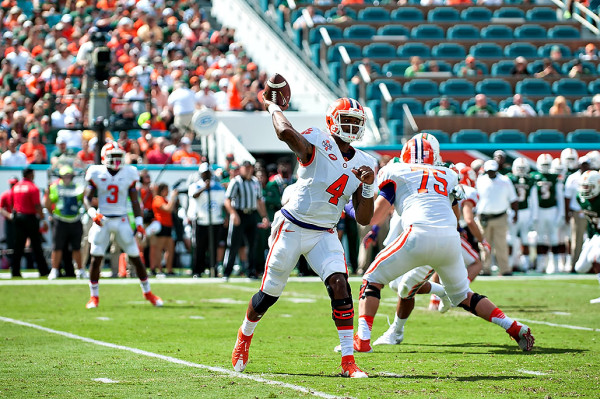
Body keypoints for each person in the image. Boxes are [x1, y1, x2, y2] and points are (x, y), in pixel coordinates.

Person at [232, 96, 377, 378]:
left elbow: (364, 218)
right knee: (269, 295)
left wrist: (368, 186)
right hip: (292, 226)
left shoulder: (366, 161)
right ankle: (245, 334)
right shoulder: (318, 142)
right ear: (332, 121)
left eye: (355, 122)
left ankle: (349, 361)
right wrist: (273, 107)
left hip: (324, 232)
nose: (350, 126)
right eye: (345, 119)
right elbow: (286, 132)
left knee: (340, 285)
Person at [353, 137, 534, 354]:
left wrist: (350, 208)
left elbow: (374, 217)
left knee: (371, 280)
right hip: (450, 240)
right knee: (464, 295)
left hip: (417, 234)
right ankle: (513, 327)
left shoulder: (396, 171)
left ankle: (362, 339)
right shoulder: (448, 174)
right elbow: (455, 215)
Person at [84, 142, 162, 308]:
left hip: (121, 219)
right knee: (96, 257)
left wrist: (139, 223)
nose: (117, 160)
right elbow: (87, 199)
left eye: (119, 156)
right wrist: (93, 214)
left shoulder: (129, 173)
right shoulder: (96, 172)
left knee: (135, 256)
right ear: (105, 157)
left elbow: (135, 201)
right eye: (113, 157)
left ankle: (148, 292)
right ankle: (94, 297)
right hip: (103, 219)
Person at [223, 160, 270, 280]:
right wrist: (233, 214)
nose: (248, 170)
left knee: (252, 244)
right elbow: (227, 200)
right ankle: (227, 272)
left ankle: (251, 271)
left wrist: (264, 216)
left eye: (250, 168)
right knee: (233, 244)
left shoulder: (255, 182)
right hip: (239, 213)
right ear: (241, 169)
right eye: (246, 168)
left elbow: (259, 200)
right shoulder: (236, 182)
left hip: (252, 214)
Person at [476, 160, 519, 276]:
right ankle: (485, 269)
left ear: (496, 170)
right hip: (484, 217)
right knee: (485, 245)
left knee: (501, 244)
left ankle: (504, 269)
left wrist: (515, 214)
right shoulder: (480, 180)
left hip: (500, 216)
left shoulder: (505, 181)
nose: (491, 173)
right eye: (489, 171)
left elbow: (513, 199)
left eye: (493, 171)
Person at [46, 166, 87, 280]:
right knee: (57, 247)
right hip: (60, 220)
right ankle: (54, 270)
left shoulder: (78, 187)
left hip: (75, 219)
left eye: (69, 176)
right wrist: (53, 214)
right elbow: (48, 203)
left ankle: (80, 269)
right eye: (65, 176)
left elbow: (84, 201)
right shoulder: (55, 187)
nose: (67, 178)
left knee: (77, 247)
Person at [188, 162, 226, 277]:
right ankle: (197, 270)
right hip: (201, 220)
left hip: (215, 220)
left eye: (208, 173)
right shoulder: (196, 186)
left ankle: (213, 268)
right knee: (200, 246)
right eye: (204, 173)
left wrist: (226, 216)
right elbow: (194, 196)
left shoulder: (218, 186)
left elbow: (223, 202)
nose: (206, 175)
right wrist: (205, 188)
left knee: (213, 246)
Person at [11, 168, 49, 278]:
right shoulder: (33, 187)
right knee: (36, 245)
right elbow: (37, 205)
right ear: (30, 175)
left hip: (18, 217)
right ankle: (43, 270)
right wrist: (42, 219)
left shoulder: (16, 187)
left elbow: (12, 203)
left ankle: (15, 271)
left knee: (18, 246)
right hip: (30, 218)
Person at [532, 154, 564, 273]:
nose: (545, 167)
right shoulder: (534, 177)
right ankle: (541, 265)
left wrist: (561, 214)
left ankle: (555, 265)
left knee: (554, 237)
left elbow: (560, 197)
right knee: (540, 238)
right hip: (540, 210)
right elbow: (533, 199)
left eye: (547, 165)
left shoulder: (555, 177)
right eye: (543, 165)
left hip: (552, 210)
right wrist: (534, 215)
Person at [507, 158, 538, 272]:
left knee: (525, 239)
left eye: (523, 168)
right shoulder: (509, 179)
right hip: (513, 211)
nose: (520, 170)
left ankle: (525, 264)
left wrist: (533, 216)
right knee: (510, 239)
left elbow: (533, 200)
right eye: (519, 168)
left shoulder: (530, 180)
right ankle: (509, 264)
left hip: (525, 211)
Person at [573, 170, 600, 303]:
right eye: (584, 186)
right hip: (593, 235)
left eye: (588, 186)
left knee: (595, 257)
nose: (585, 189)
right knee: (580, 268)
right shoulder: (581, 198)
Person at [565, 156, 592, 270]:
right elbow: (567, 197)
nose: (585, 166)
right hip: (577, 211)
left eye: (587, 164)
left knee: (592, 239)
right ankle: (574, 264)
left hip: (591, 212)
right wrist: (567, 213)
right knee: (577, 240)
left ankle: (591, 265)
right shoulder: (572, 178)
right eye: (583, 164)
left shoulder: (593, 176)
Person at [151, 183, 178, 276]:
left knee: (170, 249)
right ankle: (160, 270)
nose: (168, 192)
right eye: (166, 189)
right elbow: (168, 209)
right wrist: (173, 197)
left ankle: (169, 270)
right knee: (159, 249)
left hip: (168, 226)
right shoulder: (158, 199)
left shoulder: (165, 199)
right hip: (161, 226)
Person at [0, 177, 18, 272]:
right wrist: (9, 215)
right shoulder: (5, 194)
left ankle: (16, 264)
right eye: (11, 184)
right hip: (9, 221)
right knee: (10, 243)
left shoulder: (19, 194)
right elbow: (1, 208)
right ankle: (11, 263)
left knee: (19, 242)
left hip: (19, 221)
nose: (12, 186)